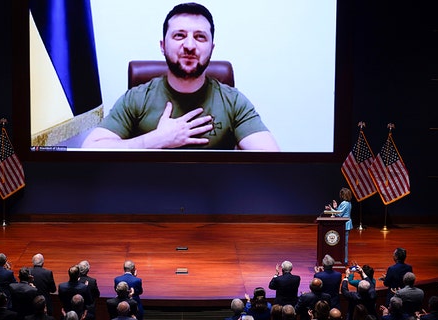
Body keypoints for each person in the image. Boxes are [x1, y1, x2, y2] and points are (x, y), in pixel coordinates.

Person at [82, 2, 279, 151]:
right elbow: (90, 149)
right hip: (149, 198)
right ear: (162, 46)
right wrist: (153, 140)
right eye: (179, 35)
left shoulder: (232, 101)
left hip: (213, 200)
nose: (190, 45)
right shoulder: (138, 98)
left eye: (200, 37)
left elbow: (270, 158)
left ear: (211, 48)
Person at [324, 187, 353, 265]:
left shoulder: (344, 203)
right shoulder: (348, 203)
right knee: (344, 243)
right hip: (346, 224)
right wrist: (335, 208)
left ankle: (344, 259)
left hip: (344, 224)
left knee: (344, 244)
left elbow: (339, 214)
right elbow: (339, 211)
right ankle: (344, 259)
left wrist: (331, 209)